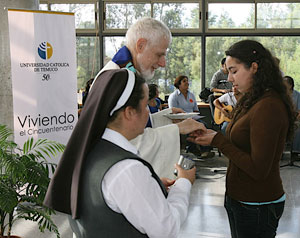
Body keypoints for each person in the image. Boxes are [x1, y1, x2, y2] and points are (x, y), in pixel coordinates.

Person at [44, 69, 200, 237]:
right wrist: (183, 184)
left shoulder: (89, 150)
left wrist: (151, 188)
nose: (148, 112)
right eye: (145, 104)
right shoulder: (126, 169)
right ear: (129, 112)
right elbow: (167, 229)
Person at [188, 40, 297, 238]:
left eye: (234, 71)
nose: (229, 78)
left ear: (254, 68)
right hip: (242, 200)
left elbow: (258, 169)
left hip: (256, 204)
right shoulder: (252, 98)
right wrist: (210, 136)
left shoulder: (269, 106)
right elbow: (242, 133)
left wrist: (218, 141)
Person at [90, 17, 191, 178]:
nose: (163, 63)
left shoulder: (124, 73)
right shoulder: (120, 81)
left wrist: (167, 117)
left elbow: (132, 123)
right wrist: (178, 129)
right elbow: (130, 142)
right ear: (141, 45)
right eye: (159, 55)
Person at [168, 75, 214, 158]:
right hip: (180, 120)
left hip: (192, 118)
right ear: (179, 84)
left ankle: (205, 149)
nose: (187, 83)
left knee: (204, 126)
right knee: (193, 128)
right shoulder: (174, 97)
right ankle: (194, 148)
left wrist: (194, 115)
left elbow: (196, 110)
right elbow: (173, 112)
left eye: (187, 81)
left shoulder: (191, 95)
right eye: (184, 81)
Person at [283, 75, 300, 152]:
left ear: (290, 85)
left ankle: (295, 152)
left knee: (298, 128)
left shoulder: (297, 95)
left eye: (285, 83)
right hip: (283, 118)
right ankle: (280, 152)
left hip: (294, 118)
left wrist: (296, 119)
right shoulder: (281, 95)